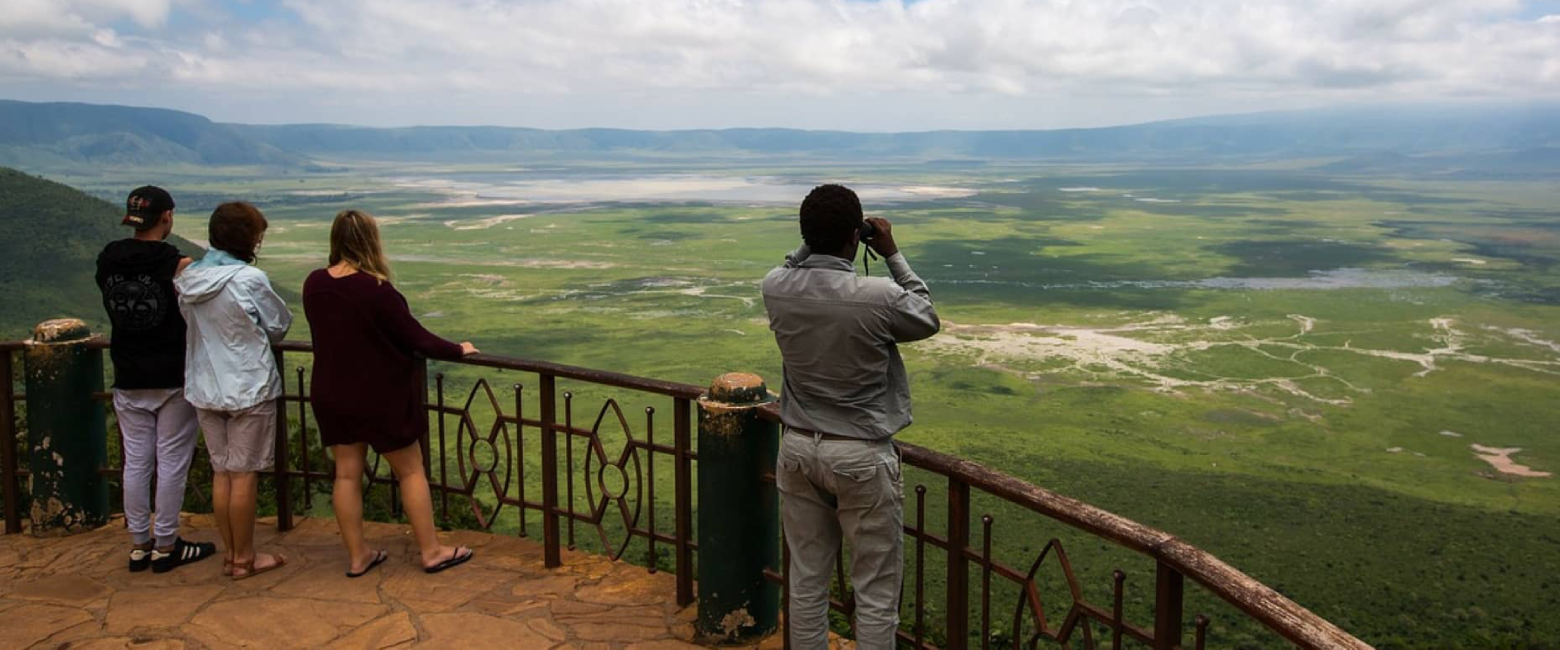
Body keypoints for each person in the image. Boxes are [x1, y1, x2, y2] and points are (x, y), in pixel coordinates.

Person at [761, 184, 940, 649]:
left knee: (805, 582)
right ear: (854, 236)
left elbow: (792, 263)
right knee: (875, 592)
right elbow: (926, 316)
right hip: (861, 455)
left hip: (798, 447)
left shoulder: (775, 287)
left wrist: (815, 242)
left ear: (805, 235)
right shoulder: (878, 296)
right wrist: (892, 253)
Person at [301, 210, 477, 577]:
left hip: (331, 393)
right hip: (379, 396)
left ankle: (357, 556)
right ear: (371, 241)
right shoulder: (377, 290)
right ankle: (431, 551)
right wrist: (457, 349)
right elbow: (415, 337)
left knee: (347, 475)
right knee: (411, 472)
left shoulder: (314, 284)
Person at [95, 186, 217, 573]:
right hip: (171, 374)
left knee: (136, 462)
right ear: (167, 217)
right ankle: (166, 545)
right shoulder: (177, 264)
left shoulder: (108, 260)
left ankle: (138, 545)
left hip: (128, 372)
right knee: (171, 461)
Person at [175, 201, 292, 580]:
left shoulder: (188, 280)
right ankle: (245, 558)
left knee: (222, 472)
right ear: (249, 239)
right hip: (248, 385)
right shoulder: (248, 280)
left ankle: (230, 555)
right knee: (243, 475)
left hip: (204, 385)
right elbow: (277, 325)